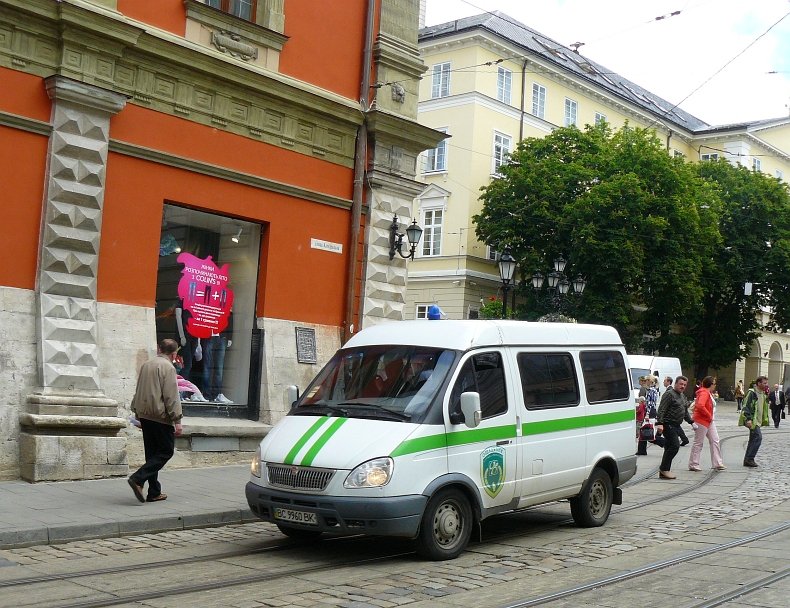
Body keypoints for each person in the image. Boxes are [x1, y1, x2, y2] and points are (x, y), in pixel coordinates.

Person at [128, 338, 184, 503]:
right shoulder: (168, 367)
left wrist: (137, 412)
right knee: (166, 451)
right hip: (160, 416)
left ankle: (154, 491)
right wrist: (177, 420)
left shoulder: (147, 364)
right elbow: (171, 396)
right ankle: (138, 479)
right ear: (174, 354)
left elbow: (139, 389)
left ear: (159, 348)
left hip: (145, 415)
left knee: (152, 453)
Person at [656, 375, 692, 479]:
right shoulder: (669, 394)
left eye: (685, 385)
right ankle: (664, 469)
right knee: (675, 446)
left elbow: (684, 411)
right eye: (681, 384)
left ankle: (664, 471)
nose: (683, 386)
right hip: (668, 424)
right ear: (675, 383)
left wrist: (691, 422)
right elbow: (662, 409)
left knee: (668, 447)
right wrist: (660, 423)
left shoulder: (682, 396)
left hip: (676, 425)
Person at [688, 376, 725, 471]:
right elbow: (700, 405)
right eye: (714, 384)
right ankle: (693, 464)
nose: (715, 386)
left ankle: (717, 463)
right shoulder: (704, 392)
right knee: (699, 442)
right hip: (702, 420)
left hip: (708, 420)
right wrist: (709, 415)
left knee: (715, 440)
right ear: (710, 384)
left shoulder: (707, 392)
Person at [741, 375, 770, 467]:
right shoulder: (752, 393)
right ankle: (750, 458)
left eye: (766, 383)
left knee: (753, 439)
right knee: (758, 437)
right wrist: (748, 419)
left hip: (758, 420)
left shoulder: (763, 394)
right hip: (753, 420)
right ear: (759, 383)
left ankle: (747, 460)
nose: (766, 385)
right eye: (764, 383)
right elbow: (746, 405)